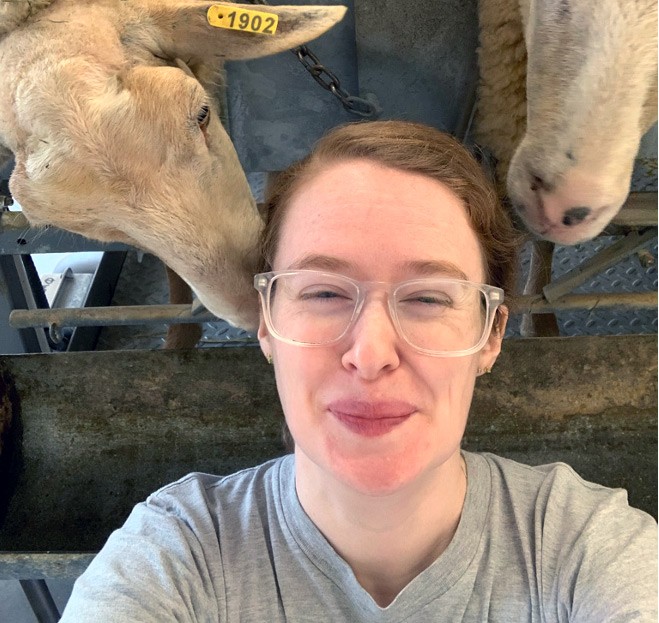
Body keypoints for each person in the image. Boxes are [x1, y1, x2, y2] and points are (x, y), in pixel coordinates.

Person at [60, 120, 657, 621]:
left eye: (428, 298)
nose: (370, 354)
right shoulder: (175, 558)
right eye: (323, 293)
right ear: (266, 321)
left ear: (490, 335)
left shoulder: (585, 551)